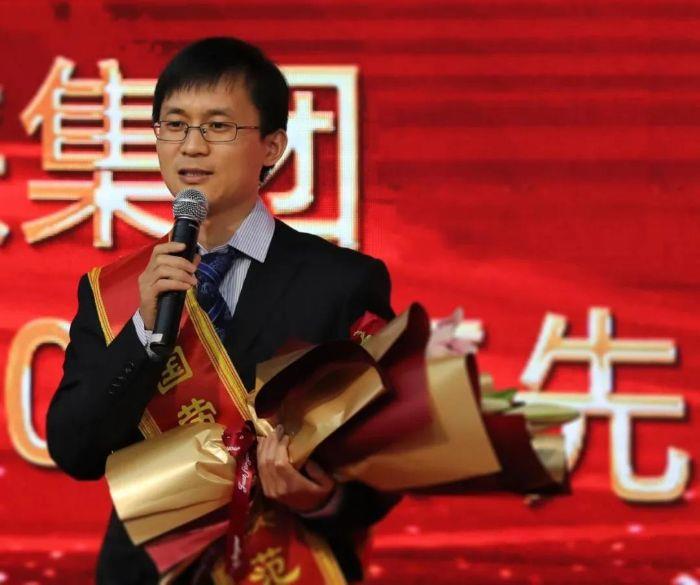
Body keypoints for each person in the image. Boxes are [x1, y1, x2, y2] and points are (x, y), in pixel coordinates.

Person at [46, 37, 398, 584]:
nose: (191, 146)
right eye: (174, 125)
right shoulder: (116, 291)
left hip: (283, 562)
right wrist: (142, 331)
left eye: (217, 126)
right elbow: (76, 449)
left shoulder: (342, 282)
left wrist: (322, 497)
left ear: (272, 146)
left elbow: (388, 454)